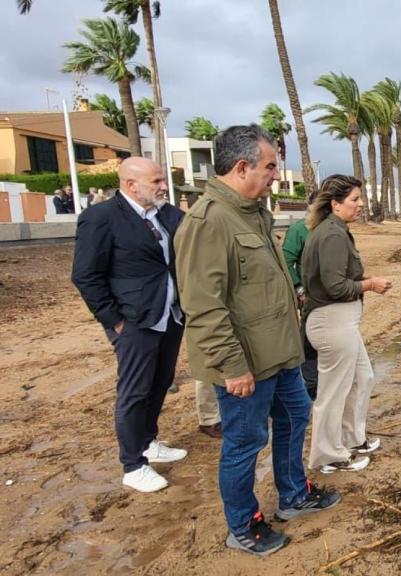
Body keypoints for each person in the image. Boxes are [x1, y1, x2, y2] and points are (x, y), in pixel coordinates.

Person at [174, 125, 340, 557]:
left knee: (295, 416)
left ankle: (293, 495)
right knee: (245, 441)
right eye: (269, 166)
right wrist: (232, 367)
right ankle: (243, 525)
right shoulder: (208, 222)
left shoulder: (252, 213)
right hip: (245, 364)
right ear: (242, 165)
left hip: (280, 354)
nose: (275, 173)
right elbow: (204, 306)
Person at [71, 157, 187, 493]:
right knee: (134, 390)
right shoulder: (101, 217)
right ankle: (132, 464)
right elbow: (85, 275)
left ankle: (148, 440)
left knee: (161, 380)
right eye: (156, 181)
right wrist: (114, 321)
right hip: (134, 319)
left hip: (170, 315)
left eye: (162, 179)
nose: (164, 186)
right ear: (130, 184)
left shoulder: (168, 215)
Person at [302, 175, 389, 474]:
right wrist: (370, 284)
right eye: (355, 199)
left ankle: (352, 438)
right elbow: (335, 285)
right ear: (336, 204)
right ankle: (327, 456)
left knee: (361, 378)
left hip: (340, 322)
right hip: (331, 321)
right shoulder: (332, 235)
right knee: (332, 392)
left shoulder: (335, 231)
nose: (361, 204)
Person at [282, 203, 319, 401]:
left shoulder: (332, 228)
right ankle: (311, 384)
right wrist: (299, 288)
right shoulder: (299, 230)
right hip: (310, 297)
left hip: (332, 298)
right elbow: (286, 261)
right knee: (309, 340)